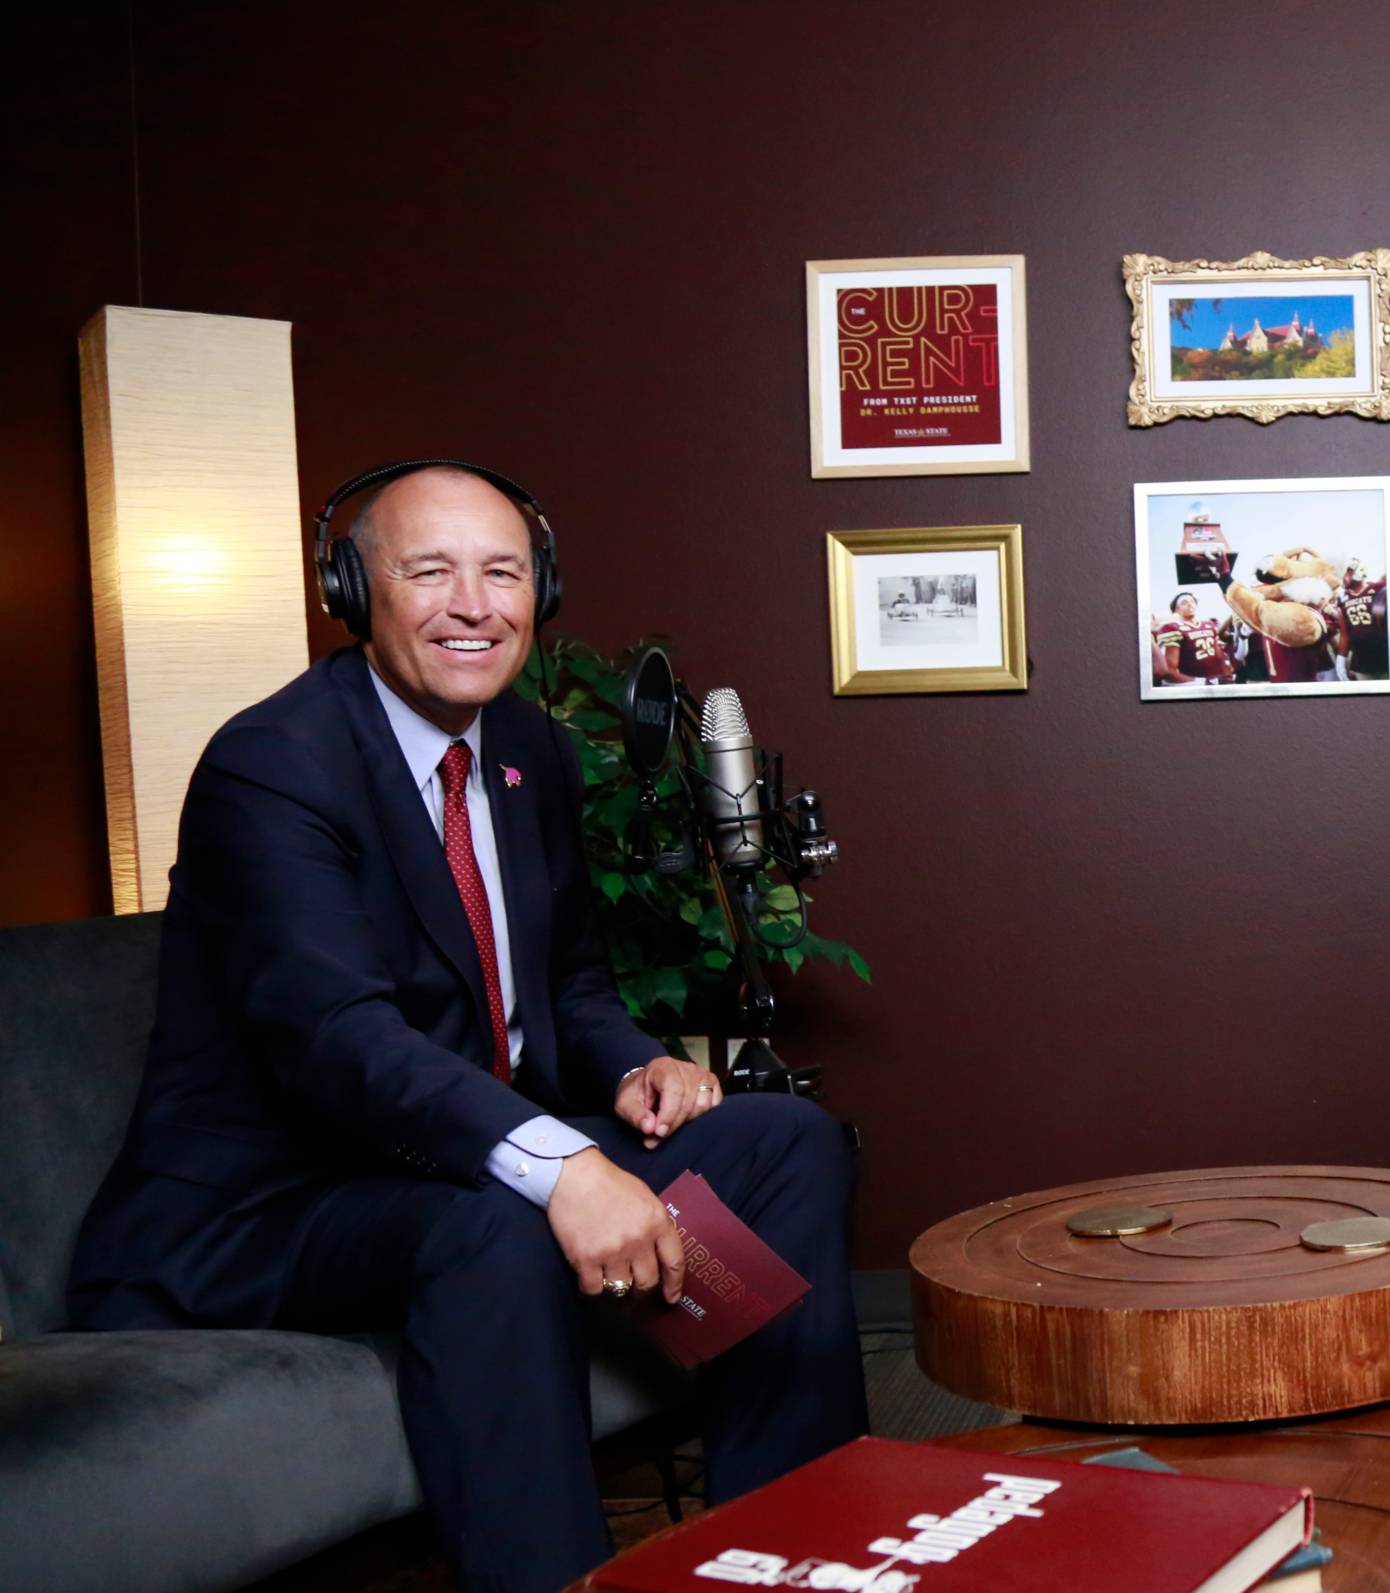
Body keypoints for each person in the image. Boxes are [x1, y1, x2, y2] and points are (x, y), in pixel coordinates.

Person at [68, 464, 867, 1593]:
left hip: (446, 1163)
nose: (473, 606)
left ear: (542, 592)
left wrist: (633, 1065)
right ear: (354, 591)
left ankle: (784, 1559)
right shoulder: (274, 762)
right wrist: (566, 1168)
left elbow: (571, 983)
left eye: (502, 573)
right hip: (272, 1205)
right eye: (429, 571)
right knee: (497, 1223)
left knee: (783, 1143)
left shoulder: (529, 748)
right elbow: (338, 1039)